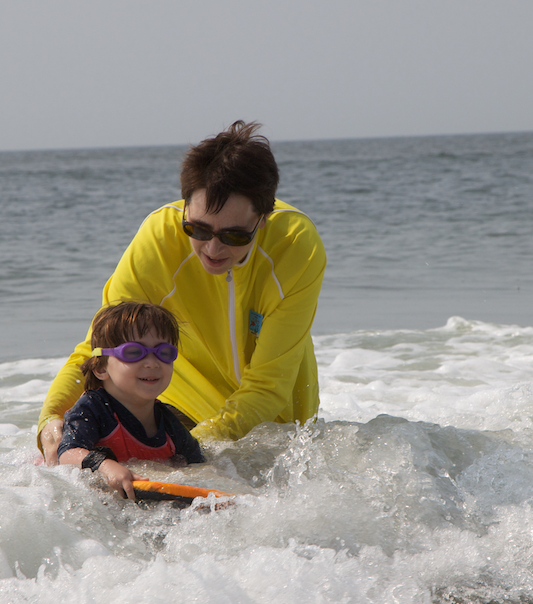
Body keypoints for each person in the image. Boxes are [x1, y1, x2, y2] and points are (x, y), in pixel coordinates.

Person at [39, 121, 326, 464]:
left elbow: (267, 386)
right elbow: (99, 347)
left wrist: (184, 452)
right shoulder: (158, 241)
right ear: (186, 206)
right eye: (198, 229)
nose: (213, 249)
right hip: (177, 410)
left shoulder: (296, 245)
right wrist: (51, 418)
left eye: (234, 236)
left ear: (263, 219)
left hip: (273, 426)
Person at [58, 301, 204, 499]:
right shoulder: (93, 409)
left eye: (164, 353)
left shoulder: (170, 422)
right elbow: (67, 454)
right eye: (134, 352)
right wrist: (105, 466)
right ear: (101, 368)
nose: (152, 363)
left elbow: (200, 467)